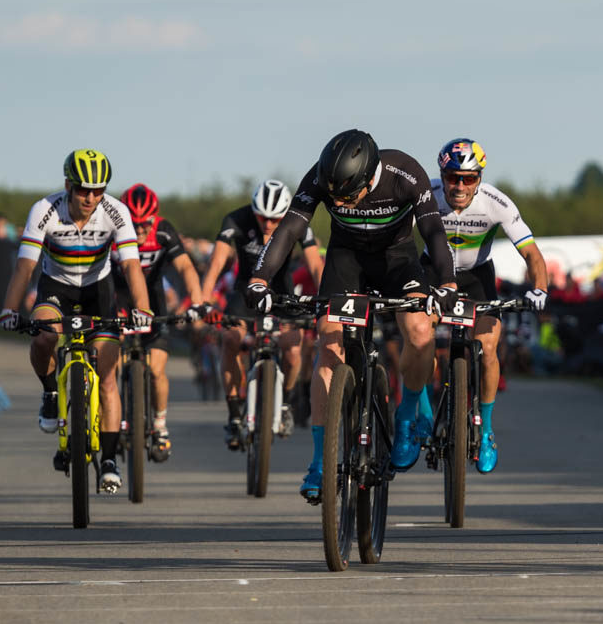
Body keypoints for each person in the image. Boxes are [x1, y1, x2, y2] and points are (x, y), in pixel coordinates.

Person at [241, 129, 456, 502]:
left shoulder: (405, 174)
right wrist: (260, 279)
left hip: (396, 260)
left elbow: (434, 232)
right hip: (347, 261)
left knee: (420, 332)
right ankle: (319, 462)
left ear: (369, 177)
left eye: (347, 196)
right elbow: (289, 229)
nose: (341, 203)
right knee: (328, 344)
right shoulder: (321, 176)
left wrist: (448, 283)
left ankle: (407, 413)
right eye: (335, 198)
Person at [0, 149, 152, 493]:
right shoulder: (45, 210)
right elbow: (25, 266)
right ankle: (51, 391)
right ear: (68, 185)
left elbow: (130, 265)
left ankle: (109, 461)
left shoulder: (115, 211)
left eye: (98, 190)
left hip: (99, 290)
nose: (91, 198)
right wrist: (9, 309)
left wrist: (143, 308)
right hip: (56, 288)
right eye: (83, 190)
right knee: (43, 336)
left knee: (108, 377)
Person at [426, 138, 550, 474]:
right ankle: (418, 413)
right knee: (418, 338)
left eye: (469, 178)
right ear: (442, 175)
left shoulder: (496, 203)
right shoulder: (427, 195)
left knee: (488, 347)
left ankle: (486, 429)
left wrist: (539, 288)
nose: (460, 186)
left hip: (477, 277)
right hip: (433, 272)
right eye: (453, 177)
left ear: (479, 178)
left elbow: (532, 254)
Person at [201, 180, 324, 448]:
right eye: (262, 217)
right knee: (231, 339)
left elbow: (315, 265)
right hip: (246, 292)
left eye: (275, 219)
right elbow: (217, 262)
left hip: (282, 293)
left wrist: (326, 299)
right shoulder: (236, 219)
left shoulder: (298, 221)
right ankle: (235, 413)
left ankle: (286, 403)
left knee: (293, 349)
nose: (268, 224)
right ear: (253, 210)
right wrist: (204, 301)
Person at [119, 183, 209, 457]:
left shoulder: (163, 231)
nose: (139, 230)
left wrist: (197, 303)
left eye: (144, 224)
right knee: (109, 365)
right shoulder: (113, 228)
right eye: (133, 224)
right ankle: (113, 420)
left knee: (157, 370)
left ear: (154, 219)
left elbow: (185, 267)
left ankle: (159, 425)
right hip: (118, 298)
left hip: (153, 299)